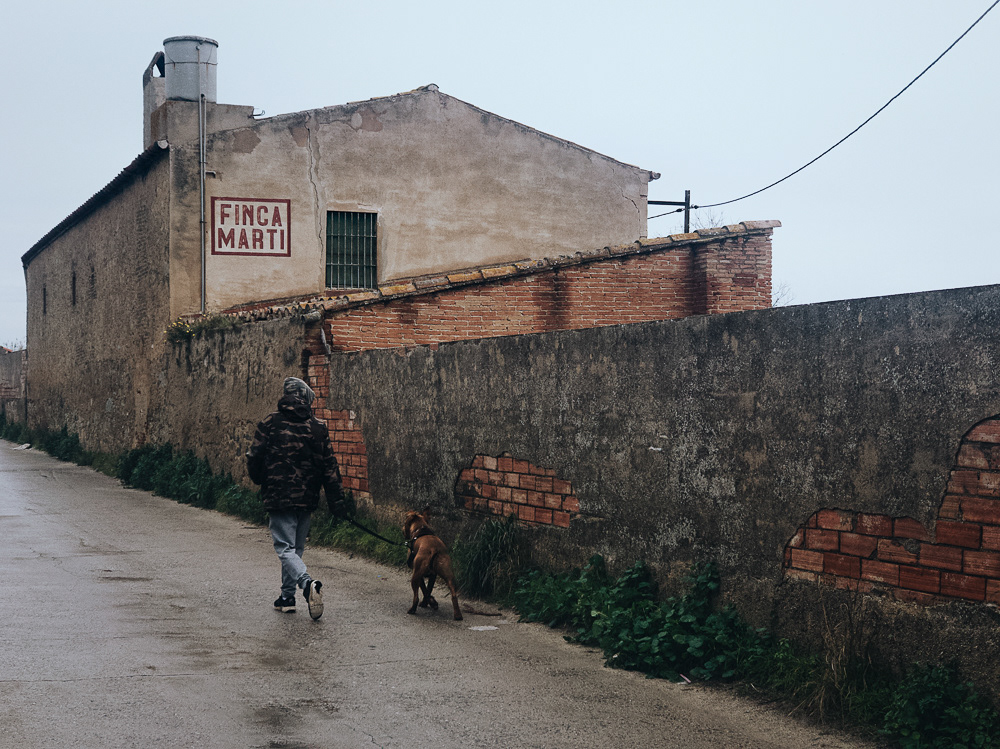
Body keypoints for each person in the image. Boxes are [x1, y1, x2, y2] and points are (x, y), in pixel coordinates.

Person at [246, 376, 349, 620]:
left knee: (285, 548)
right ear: (306, 398)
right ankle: (286, 598)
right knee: (296, 549)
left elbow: (254, 456)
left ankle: (306, 585)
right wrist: (338, 503)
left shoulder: (270, 422)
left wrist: (260, 479)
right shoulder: (318, 427)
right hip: (307, 497)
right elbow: (329, 468)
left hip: (279, 496)